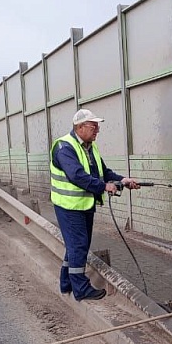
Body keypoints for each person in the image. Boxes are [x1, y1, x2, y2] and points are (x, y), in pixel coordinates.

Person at [50, 109, 140, 301]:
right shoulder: (64, 147)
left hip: (84, 205)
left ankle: (66, 283)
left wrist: (122, 180)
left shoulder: (90, 147)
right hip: (69, 207)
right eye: (93, 126)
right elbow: (77, 176)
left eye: (98, 126)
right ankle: (81, 289)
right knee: (78, 246)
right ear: (80, 127)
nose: (97, 130)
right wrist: (104, 187)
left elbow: (103, 172)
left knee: (75, 246)